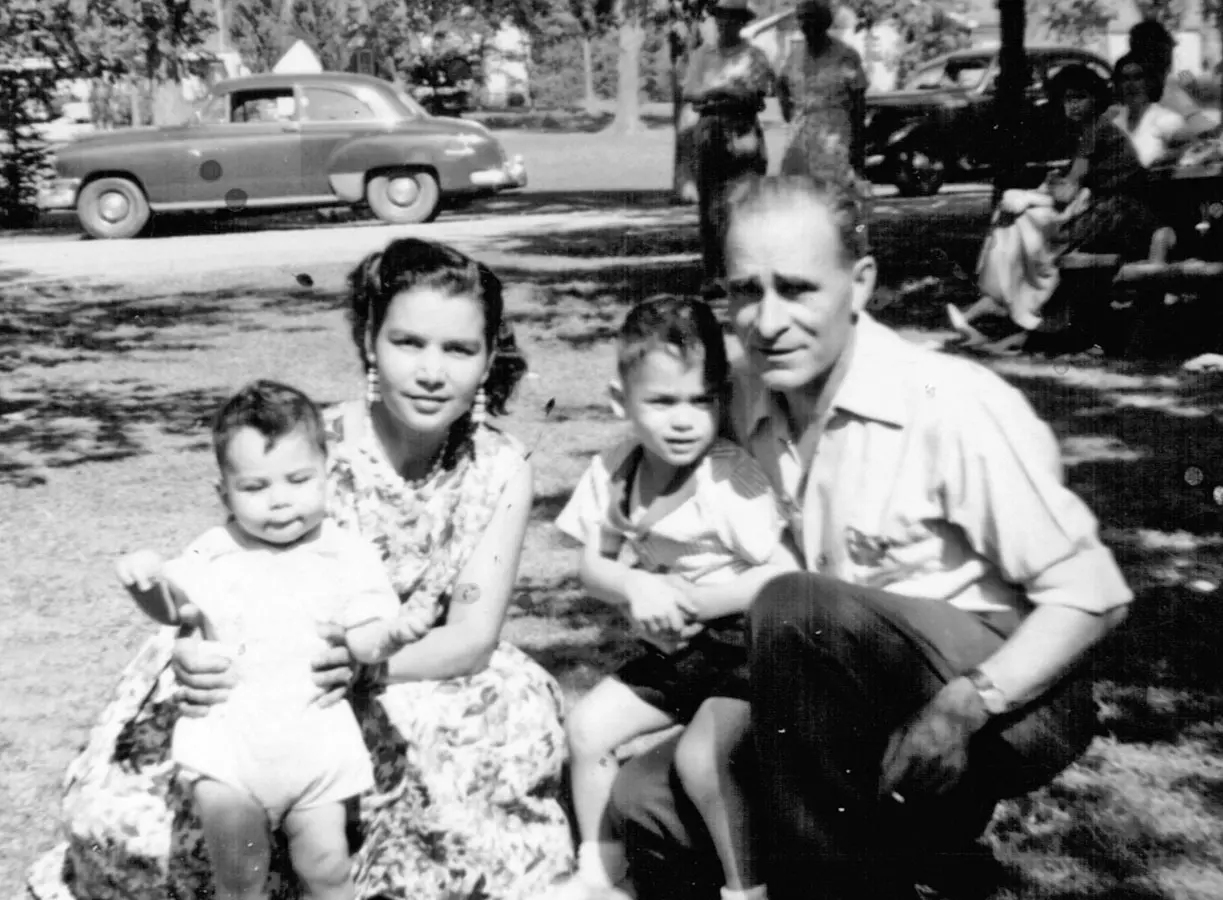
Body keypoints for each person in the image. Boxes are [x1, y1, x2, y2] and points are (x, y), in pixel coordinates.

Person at [605, 173, 1133, 900]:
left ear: (858, 283)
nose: (765, 321)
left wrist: (964, 705)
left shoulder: (949, 403)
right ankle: (905, 854)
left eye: (796, 289)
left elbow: (1093, 599)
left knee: (797, 609)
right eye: (743, 292)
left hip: (1003, 694)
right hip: (829, 694)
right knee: (643, 803)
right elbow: (643, 455)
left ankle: (865, 867)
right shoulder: (745, 396)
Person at [26, 238, 575, 900]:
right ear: (370, 341)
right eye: (408, 343)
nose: (432, 371)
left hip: (412, 665)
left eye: (458, 350)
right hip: (263, 668)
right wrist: (192, 650)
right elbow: (229, 582)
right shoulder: (311, 447)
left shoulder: (500, 467)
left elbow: (471, 636)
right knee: (148, 834)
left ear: (488, 357)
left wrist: (366, 666)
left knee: (455, 778)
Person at [117, 380, 430, 900]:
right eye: (255, 488)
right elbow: (176, 609)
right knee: (240, 870)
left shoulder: (346, 554)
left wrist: (393, 634)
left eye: (298, 480)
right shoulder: (216, 551)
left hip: (314, 742)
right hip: (230, 745)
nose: (280, 501)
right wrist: (145, 584)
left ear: (326, 477)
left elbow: (363, 640)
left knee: (326, 862)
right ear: (225, 494)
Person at [545, 295, 798, 900]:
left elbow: (785, 572)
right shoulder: (615, 471)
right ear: (620, 402)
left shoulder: (727, 477)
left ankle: (746, 890)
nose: (683, 420)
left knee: (705, 761)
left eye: (700, 400)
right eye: (661, 402)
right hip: (680, 652)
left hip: (744, 649)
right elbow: (591, 565)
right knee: (586, 730)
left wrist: (697, 602)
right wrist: (635, 583)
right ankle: (603, 874)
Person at [949, 59, 1171, 355]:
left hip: (1123, 217)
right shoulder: (1093, 131)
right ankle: (1003, 309)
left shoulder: (1097, 131)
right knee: (1025, 226)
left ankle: (1019, 320)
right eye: (1067, 99)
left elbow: (1068, 192)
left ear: (1096, 99)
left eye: (1081, 97)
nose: (1073, 106)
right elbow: (1073, 185)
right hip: (1112, 211)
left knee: (1044, 241)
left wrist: (1043, 191)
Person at [680, 0, 774, 298]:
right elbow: (691, 94)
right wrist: (722, 91)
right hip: (709, 129)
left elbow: (753, 96)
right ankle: (714, 275)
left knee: (745, 203)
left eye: (731, 19)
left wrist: (717, 93)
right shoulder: (702, 56)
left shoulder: (753, 56)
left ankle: (746, 271)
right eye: (720, 18)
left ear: (741, 22)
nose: (724, 24)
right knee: (711, 206)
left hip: (742, 129)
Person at [776, 0, 867, 183]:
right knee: (796, 191)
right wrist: (788, 111)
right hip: (800, 132)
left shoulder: (845, 55)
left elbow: (858, 101)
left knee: (832, 192)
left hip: (833, 133)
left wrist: (857, 147)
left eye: (812, 18)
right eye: (802, 19)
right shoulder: (795, 55)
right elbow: (782, 84)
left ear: (825, 22)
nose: (806, 24)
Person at [1128, 18, 1220, 149]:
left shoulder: (1168, 82)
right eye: (1167, 48)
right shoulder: (1148, 88)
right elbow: (1196, 131)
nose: (1171, 54)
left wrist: (1194, 93)